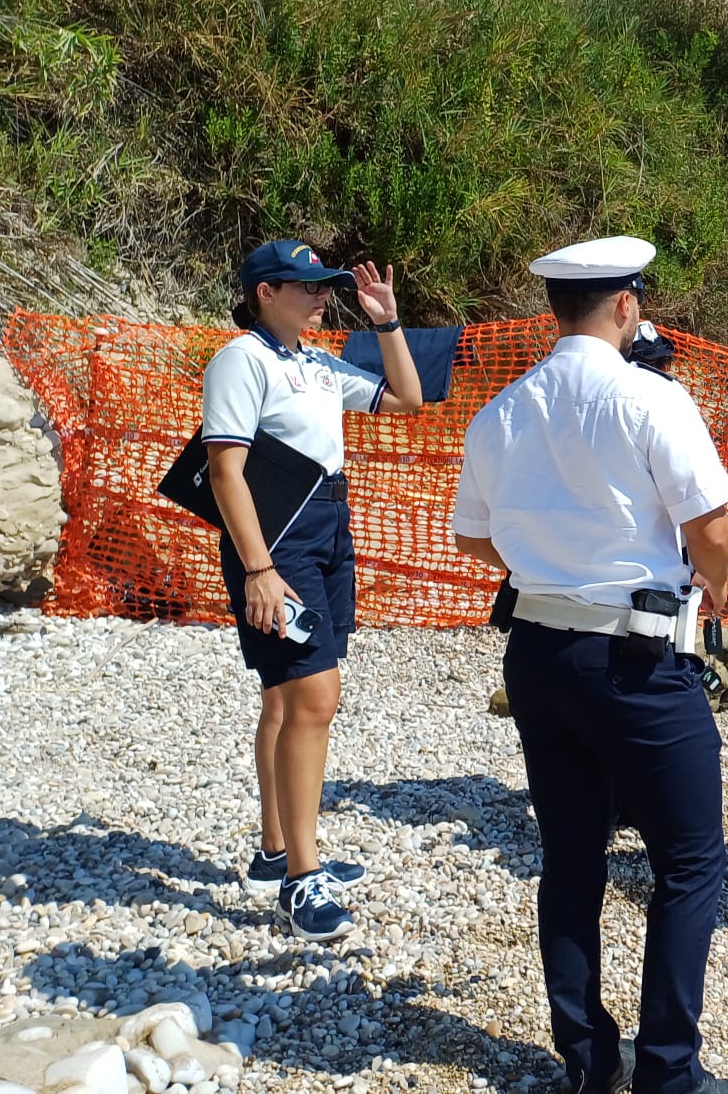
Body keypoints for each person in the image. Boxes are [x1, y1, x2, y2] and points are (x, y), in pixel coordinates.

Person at [450, 236, 728, 1094]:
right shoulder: (652, 399)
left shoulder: (501, 409)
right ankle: (669, 1073)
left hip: (539, 654)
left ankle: (588, 1064)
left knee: (572, 858)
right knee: (691, 862)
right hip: (637, 659)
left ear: (557, 310)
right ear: (626, 307)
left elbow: (474, 536)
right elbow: (713, 526)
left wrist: (543, 564)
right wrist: (717, 587)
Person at [201, 239, 423, 940]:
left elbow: (408, 400)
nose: (323, 295)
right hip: (280, 539)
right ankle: (303, 878)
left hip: (329, 526)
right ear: (264, 292)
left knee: (284, 694)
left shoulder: (317, 362)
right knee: (315, 696)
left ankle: (276, 852)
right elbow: (225, 472)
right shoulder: (242, 360)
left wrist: (387, 324)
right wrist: (259, 570)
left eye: (326, 286)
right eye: (308, 286)